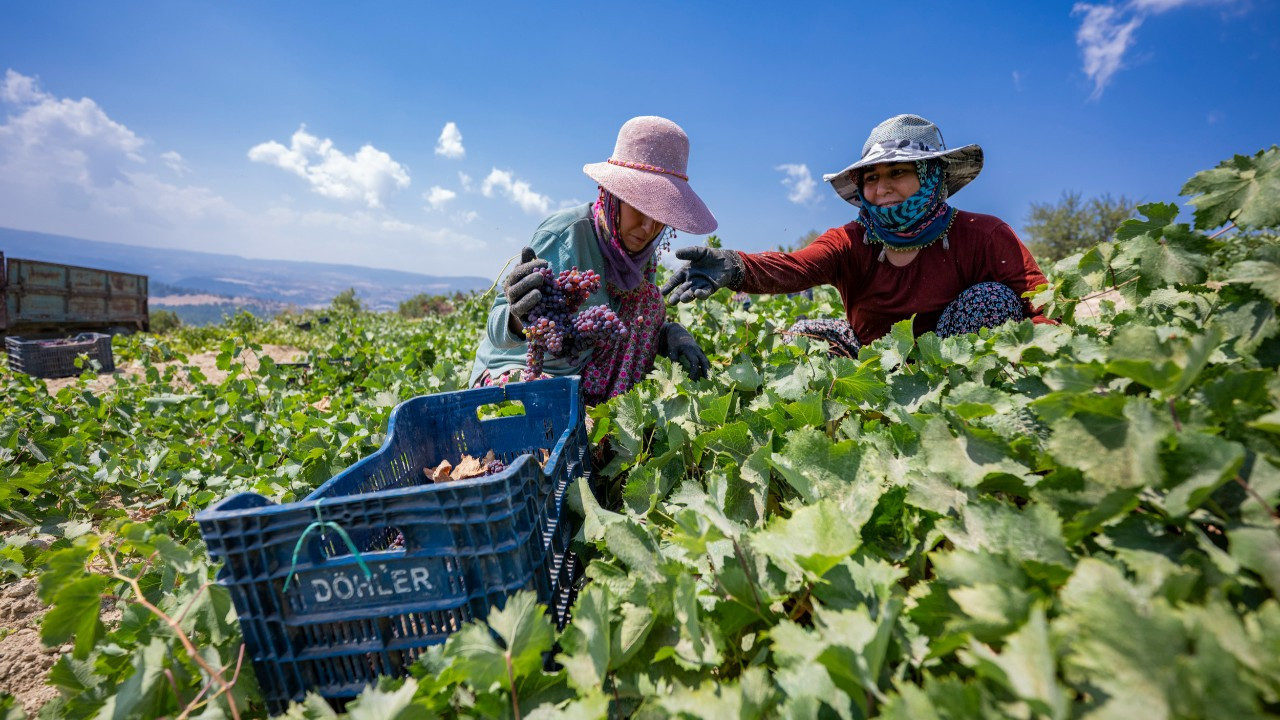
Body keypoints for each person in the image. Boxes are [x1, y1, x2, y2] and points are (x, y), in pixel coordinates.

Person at [661, 114, 1055, 358]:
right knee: (801, 337)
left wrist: (1056, 357)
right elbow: (797, 267)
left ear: (931, 175)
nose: (882, 187)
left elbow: (1040, 304)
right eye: (871, 177)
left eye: (898, 171)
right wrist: (734, 266)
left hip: (955, 367)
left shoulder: (983, 234)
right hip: (873, 365)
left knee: (993, 301)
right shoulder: (852, 241)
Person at [470, 116, 716, 403]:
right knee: (543, 425)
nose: (648, 227)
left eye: (660, 216)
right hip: (518, 374)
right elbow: (496, 329)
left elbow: (630, 325)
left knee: (647, 303)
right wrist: (518, 317)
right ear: (613, 196)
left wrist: (672, 333)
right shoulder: (566, 235)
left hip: (579, 375)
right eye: (640, 208)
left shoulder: (638, 254)